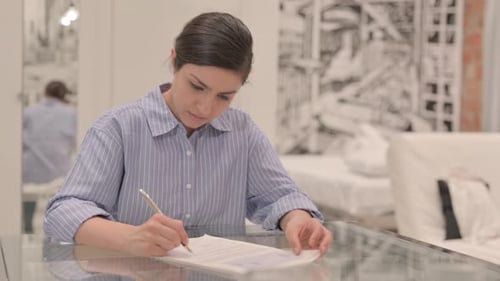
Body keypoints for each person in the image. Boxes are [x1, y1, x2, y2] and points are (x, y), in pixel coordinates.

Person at [44, 12, 332, 257]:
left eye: (225, 96)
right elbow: (64, 212)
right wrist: (129, 238)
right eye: (197, 86)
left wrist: (297, 218)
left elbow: (280, 197)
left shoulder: (242, 132)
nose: (206, 107)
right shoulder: (118, 128)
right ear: (174, 62)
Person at [23, 80, 77, 233]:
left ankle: (27, 229)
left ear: (45, 93)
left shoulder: (29, 112)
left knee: (28, 202)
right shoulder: (71, 113)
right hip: (59, 173)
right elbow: (73, 142)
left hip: (31, 171)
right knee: (55, 207)